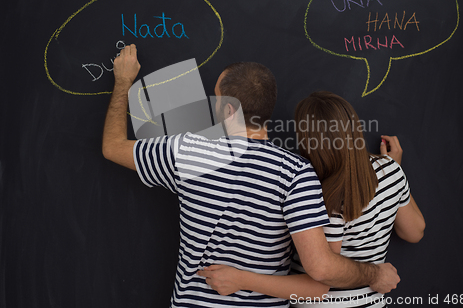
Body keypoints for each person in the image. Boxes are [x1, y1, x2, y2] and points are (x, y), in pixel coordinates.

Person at [102, 45, 400, 307]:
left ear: (228, 109)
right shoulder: (297, 174)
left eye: (215, 99)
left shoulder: (186, 152)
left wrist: (123, 82)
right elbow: (318, 279)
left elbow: (112, 147)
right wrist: (374, 272)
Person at [198, 91, 425, 307]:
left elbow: (323, 277)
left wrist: (241, 280)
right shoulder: (391, 171)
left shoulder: (327, 197)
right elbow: (414, 232)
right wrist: (397, 171)